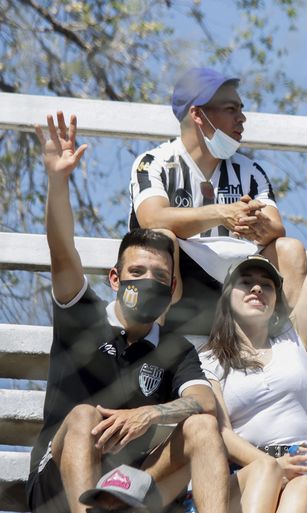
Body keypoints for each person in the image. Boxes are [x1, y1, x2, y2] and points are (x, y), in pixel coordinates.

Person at [28, 112, 230, 513]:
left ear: (173, 289)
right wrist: (57, 180)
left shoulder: (173, 350)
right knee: (84, 415)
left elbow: (204, 401)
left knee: (204, 427)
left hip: (131, 487)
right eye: (136, 272)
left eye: (159, 276)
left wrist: (148, 415)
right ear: (115, 279)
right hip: (58, 485)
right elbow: (62, 252)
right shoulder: (81, 315)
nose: (147, 282)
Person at [196, 132, 307, 513]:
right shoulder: (209, 358)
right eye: (245, 282)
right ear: (227, 299)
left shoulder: (294, 340)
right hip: (247, 472)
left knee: (300, 492)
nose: (257, 289)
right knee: (275, 482)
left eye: (267, 285)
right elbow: (220, 432)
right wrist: (268, 464)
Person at [129, 67, 307, 336]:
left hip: (239, 280)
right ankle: (154, 342)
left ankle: (287, 350)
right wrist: (223, 213)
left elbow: (277, 229)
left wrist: (257, 225)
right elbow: (152, 218)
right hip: (181, 286)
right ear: (198, 114)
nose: (242, 119)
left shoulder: (250, 170)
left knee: (290, 248)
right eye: (231, 109)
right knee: (161, 237)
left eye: (241, 109)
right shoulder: (155, 162)